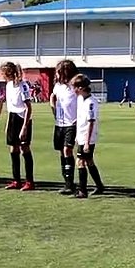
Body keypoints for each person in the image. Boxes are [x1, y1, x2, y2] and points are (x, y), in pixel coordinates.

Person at [0, 62, 35, 191]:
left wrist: (25, 127)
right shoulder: (8, 85)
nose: (1, 75)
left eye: (2, 73)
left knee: (24, 149)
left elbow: (28, 107)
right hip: (13, 118)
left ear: (8, 73)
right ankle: (16, 180)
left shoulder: (23, 86)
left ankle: (29, 181)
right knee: (13, 149)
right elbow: (10, 107)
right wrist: (8, 124)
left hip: (22, 118)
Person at [50, 60, 80, 196]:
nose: (57, 75)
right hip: (60, 124)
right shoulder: (58, 86)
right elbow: (53, 97)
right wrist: (53, 109)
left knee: (67, 150)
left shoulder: (74, 86)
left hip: (71, 123)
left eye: (59, 72)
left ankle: (70, 184)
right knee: (62, 152)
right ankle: (67, 182)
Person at [72, 74, 101, 198]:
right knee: (89, 161)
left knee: (80, 161)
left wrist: (87, 142)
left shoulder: (91, 103)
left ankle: (82, 190)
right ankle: (99, 186)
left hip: (87, 137)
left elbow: (91, 122)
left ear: (81, 88)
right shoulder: (80, 99)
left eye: (75, 87)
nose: (73, 90)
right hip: (81, 135)